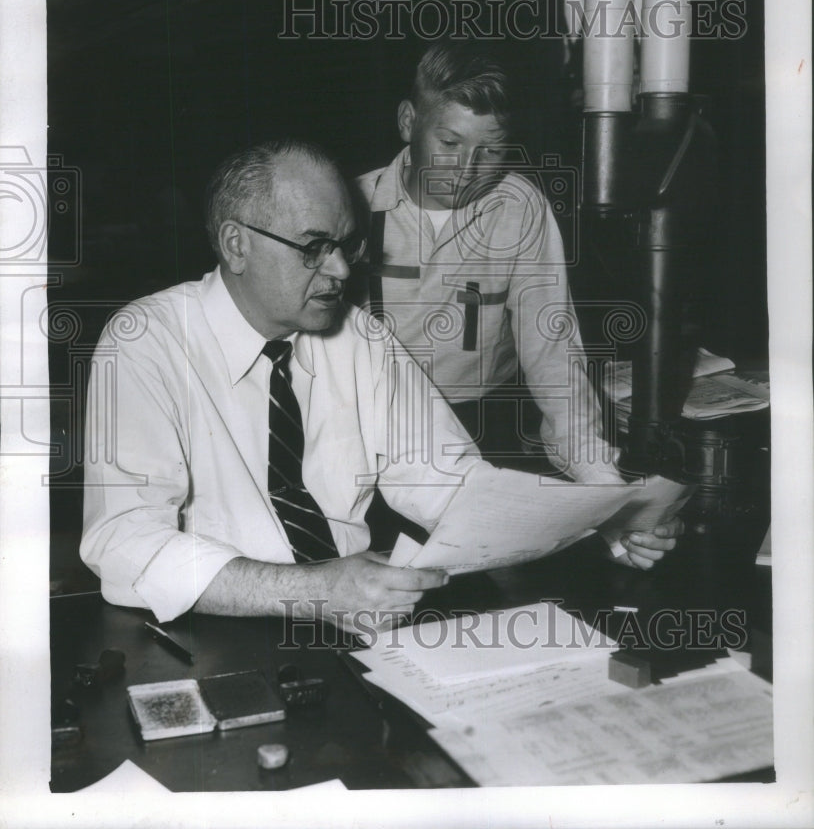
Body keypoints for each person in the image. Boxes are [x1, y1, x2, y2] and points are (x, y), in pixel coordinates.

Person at [80, 139, 680, 631]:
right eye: (314, 248)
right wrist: (311, 589)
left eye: (346, 246)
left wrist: (602, 519)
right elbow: (122, 538)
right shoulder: (145, 341)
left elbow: (457, 486)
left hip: (357, 623)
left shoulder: (361, 339)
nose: (340, 270)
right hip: (216, 627)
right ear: (236, 244)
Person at [355, 42, 622, 485]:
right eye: (449, 142)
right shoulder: (351, 205)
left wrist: (600, 479)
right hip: (368, 428)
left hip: (483, 428)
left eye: (492, 151)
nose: (467, 169)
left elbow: (553, 353)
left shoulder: (520, 209)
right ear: (408, 122)